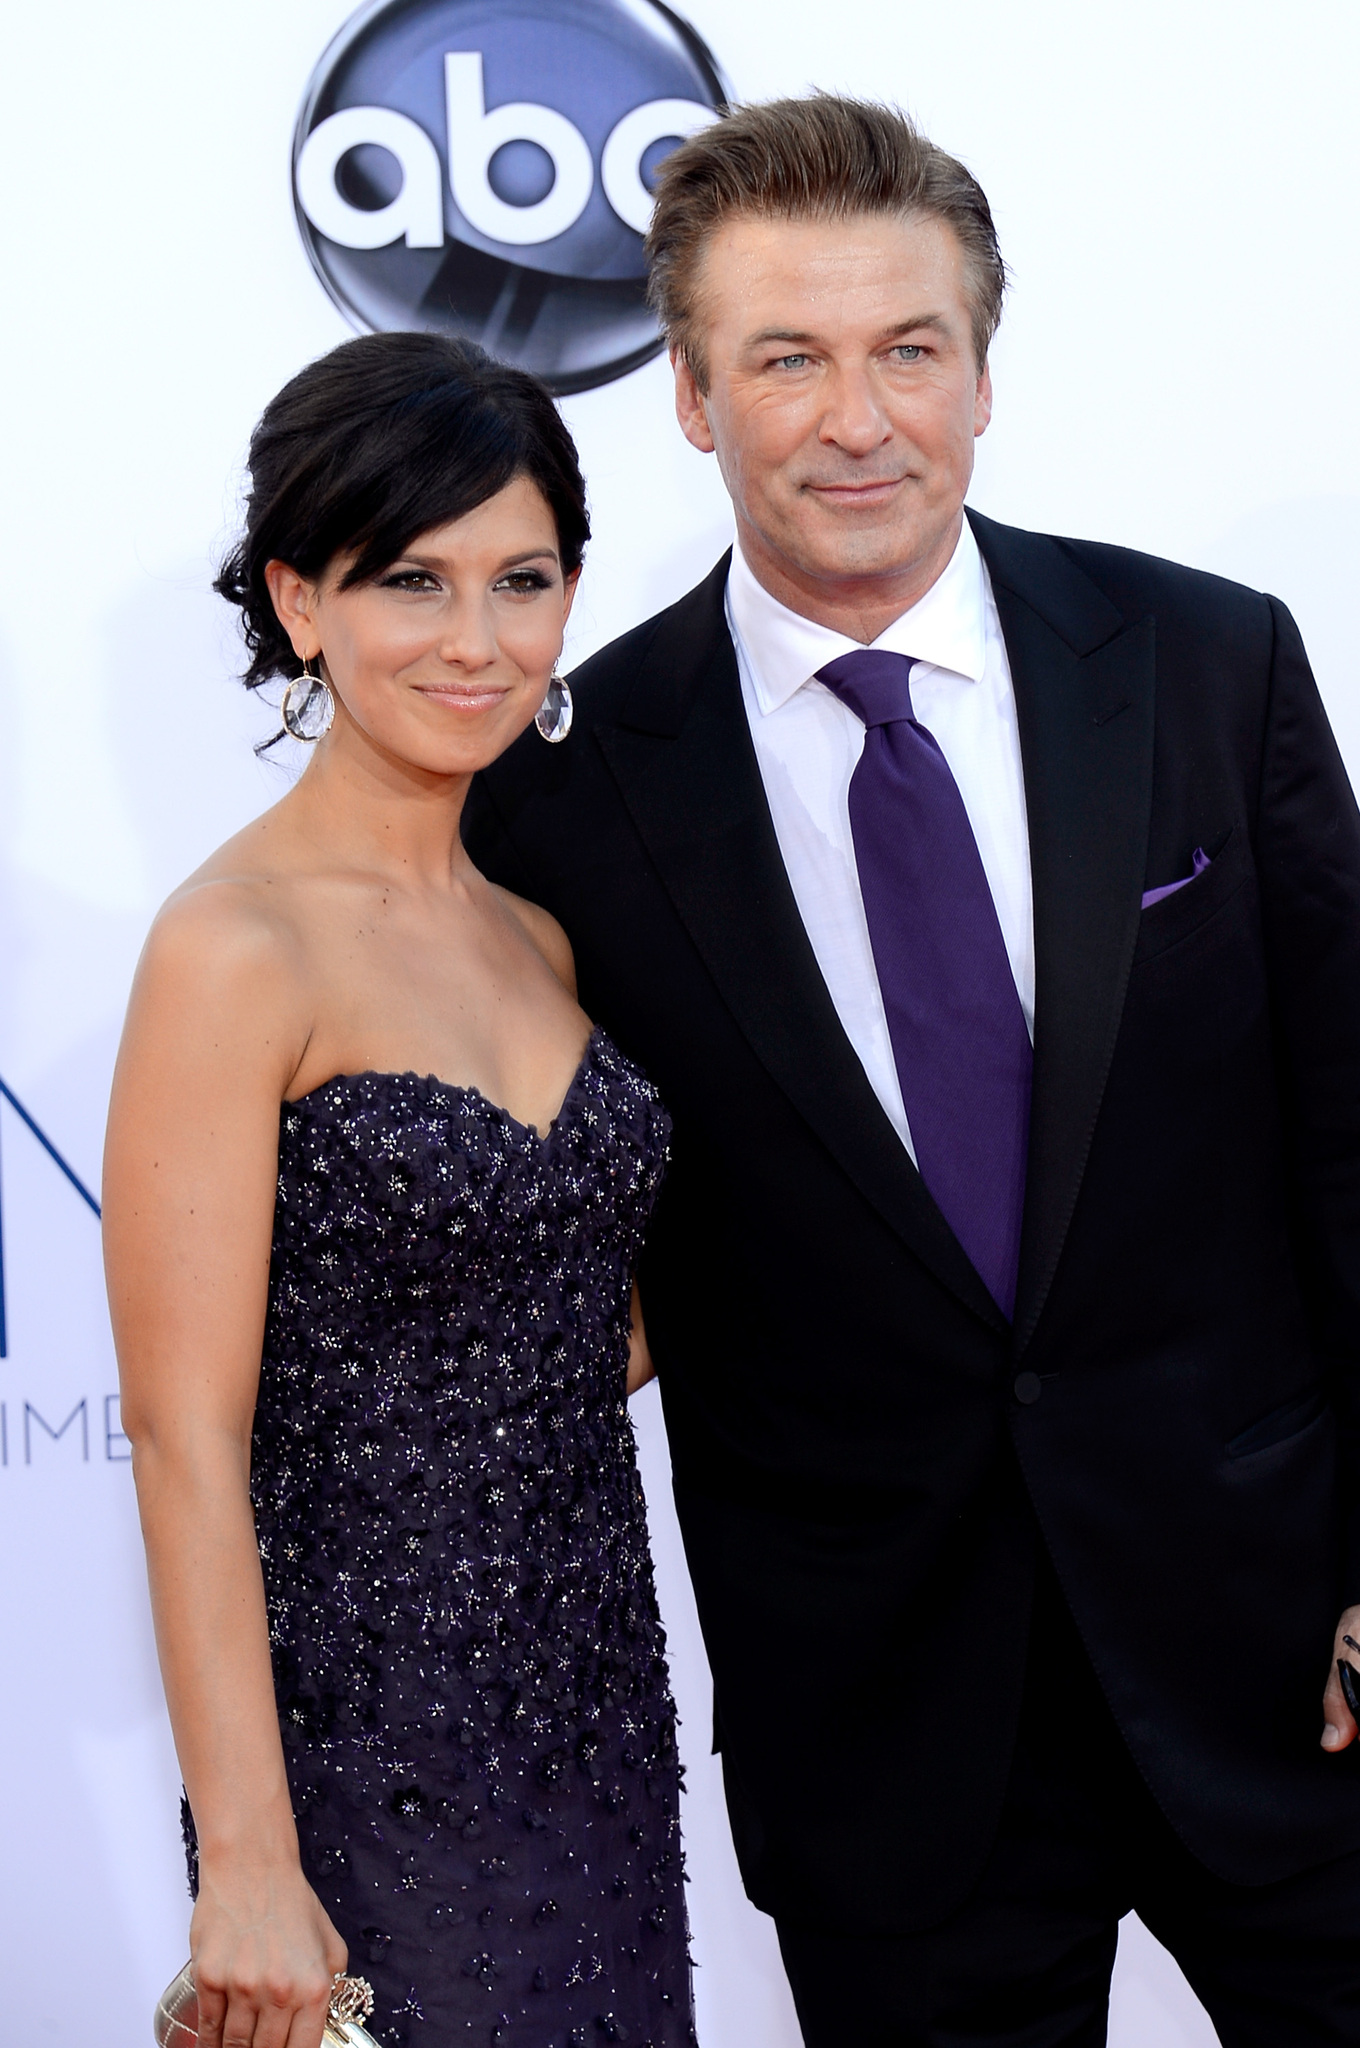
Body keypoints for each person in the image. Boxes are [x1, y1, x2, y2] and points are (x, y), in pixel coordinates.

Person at [461, 94, 1360, 2045]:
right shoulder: (568, 793)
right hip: (881, 1734)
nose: (854, 419)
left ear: (978, 372)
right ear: (691, 398)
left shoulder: (1207, 666)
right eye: (785, 358)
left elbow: (1350, 1144)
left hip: (1287, 1666)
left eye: (906, 350)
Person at [103, 332, 695, 2048]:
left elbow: (578, 1324)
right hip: (367, 1753)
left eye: (523, 580)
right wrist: (252, 1860)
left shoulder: (540, 936)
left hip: (594, 1709)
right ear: (301, 603)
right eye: (411, 583)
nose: (476, 640)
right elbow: (182, 1435)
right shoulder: (234, 947)